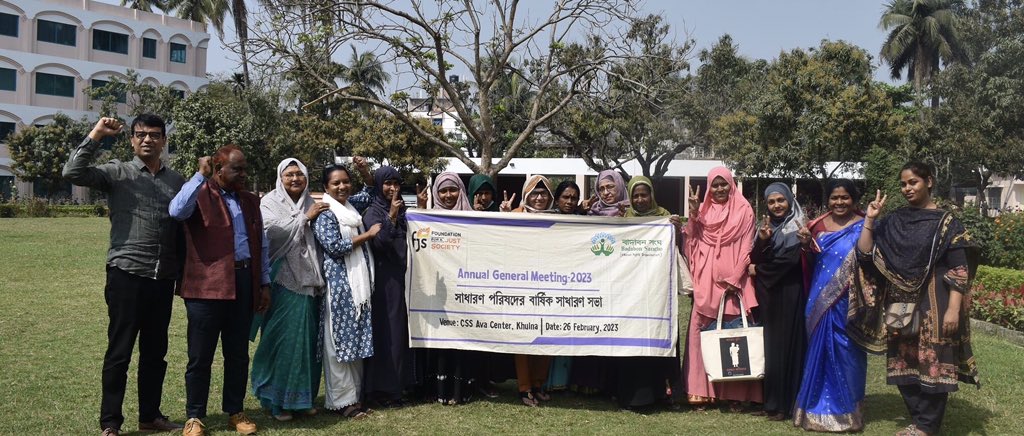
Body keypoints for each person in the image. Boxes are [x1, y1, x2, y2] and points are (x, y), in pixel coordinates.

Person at [62, 115, 185, 436]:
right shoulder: (118, 172)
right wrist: (96, 135)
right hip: (126, 274)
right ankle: (110, 423)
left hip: (162, 277)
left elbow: (184, 228)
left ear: (163, 141)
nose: (147, 140)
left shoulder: (177, 181)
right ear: (131, 140)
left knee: (156, 353)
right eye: (140, 135)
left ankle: (150, 416)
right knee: (120, 351)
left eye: (154, 135)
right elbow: (72, 172)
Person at [850, 162, 979, 436]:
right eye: (903, 184)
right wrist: (870, 220)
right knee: (903, 358)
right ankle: (919, 420)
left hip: (936, 300)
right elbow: (865, 255)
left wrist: (953, 310)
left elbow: (959, 269)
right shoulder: (895, 220)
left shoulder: (947, 223)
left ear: (929, 182)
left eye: (913, 182)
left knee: (934, 358)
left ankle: (926, 426)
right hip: (901, 303)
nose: (907, 188)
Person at [169, 145, 271, 436]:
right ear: (218, 169)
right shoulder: (199, 193)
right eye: (237, 169)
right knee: (200, 355)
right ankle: (194, 417)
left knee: (238, 354)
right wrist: (199, 176)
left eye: (244, 168)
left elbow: (260, 244)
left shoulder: (250, 200)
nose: (243, 174)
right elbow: (176, 211)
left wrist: (263, 283)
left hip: (243, 282)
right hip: (205, 286)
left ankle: (235, 412)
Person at [250, 158, 326, 421]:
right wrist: (304, 218)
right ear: (280, 178)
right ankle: (276, 401)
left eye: (299, 175)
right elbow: (270, 232)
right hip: (282, 279)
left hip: (310, 282)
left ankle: (301, 400)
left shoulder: (312, 202)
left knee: (305, 343)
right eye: (289, 175)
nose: (295, 179)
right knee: (281, 341)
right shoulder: (269, 202)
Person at [682, 166, 762, 411]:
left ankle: (736, 394)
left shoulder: (744, 209)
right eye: (714, 185)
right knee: (701, 332)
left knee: (734, 334)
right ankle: (700, 392)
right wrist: (693, 215)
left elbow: (749, 246)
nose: (719, 189)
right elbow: (691, 241)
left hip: (734, 284)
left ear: (731, 184)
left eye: (723, 184)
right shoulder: (702, 210)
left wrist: (735, 277)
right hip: (706, 282)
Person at [792, 179, 868, 432]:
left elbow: (869, 256)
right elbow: (811, 261)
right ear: (828, 200)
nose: (839, 202)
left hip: (850, 301)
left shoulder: (864, 224)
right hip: (819, 300)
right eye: (835, 198)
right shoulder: (817, 226)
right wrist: (804, 245)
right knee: (819, 352)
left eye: (845, 197)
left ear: (854, 200)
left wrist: (871, 221)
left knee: (848, 353)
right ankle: (813, 409)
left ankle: (848, 411)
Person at [312, 162, 380, 419]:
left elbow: (372, 192)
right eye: (336, 183)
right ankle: (342, 401)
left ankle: (356, 397)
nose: (342, 187)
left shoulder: (351, 208)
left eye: (345, 181)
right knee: (338, 344)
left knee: (356, 340)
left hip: (359, 288)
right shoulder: (326, 213)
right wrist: (367, 236)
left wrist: (364, 171)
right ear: (325, 188)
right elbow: (334, 247)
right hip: (339, 287)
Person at [615, 176, 682, 410]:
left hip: (658, 292)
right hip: (632, 292)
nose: (640, 199)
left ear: (652, 195)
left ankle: (663, 394)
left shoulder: (665, 217)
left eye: (644, 194)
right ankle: (633, 397)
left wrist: (677, 231)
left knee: (658, 341)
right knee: (633, 344)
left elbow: (678, 250)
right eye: (635, 195)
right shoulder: (624, 221)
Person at [419, 172, 478, 405]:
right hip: (439, 292)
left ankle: (460, 390)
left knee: (463, 338)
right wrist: (422, 212)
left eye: (452, 190)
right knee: (441, 340)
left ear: (461, 191)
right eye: (442, 191)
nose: (448, 195)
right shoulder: (428, 219)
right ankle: (440, 390)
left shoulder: (475, 219)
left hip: (466, 288)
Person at [750, 183, 807, 421]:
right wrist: (762, 242)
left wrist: (760, 270)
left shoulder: (800, 226)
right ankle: (772, 403)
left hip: (792, 294)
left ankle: (788, 404)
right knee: (771, 349)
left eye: (780, 200)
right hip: (771, 296)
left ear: (790, 200)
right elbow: (753, 259)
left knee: (790, 347)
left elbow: (791, 262)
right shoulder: (766, 227)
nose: (776, 206)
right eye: (771, 202)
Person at [501, 175, 556, 407]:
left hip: (551, 284)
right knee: (524, 336)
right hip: (521, 284)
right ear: (526, 195)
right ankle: (524, 387)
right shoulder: (515, 216)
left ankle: (538, 383)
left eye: (544, 193)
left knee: (547, 334)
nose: (540, 197)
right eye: (535, 193)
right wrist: (503, 216)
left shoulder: (560, 219)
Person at [362, 165, 413, 407]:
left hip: (404, 279)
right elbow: (380, 244)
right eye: (387, 183)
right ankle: (383, 390)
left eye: (396, 183)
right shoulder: (373, 212)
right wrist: (391, 216)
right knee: (388, 333)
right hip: (385, 281)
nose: (392, 188)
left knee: (400, 333)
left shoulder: (404, 210)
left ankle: (400, 385)